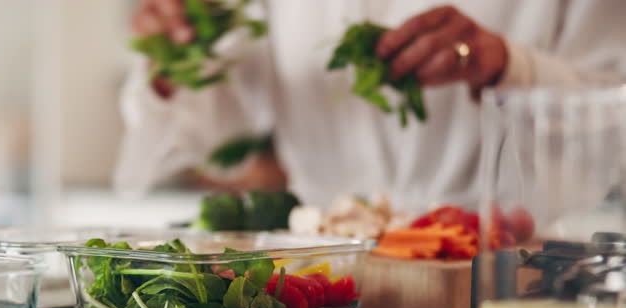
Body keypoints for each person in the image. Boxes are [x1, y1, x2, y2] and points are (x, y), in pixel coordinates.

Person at [115, 1, 626, 212]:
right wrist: (175, 62)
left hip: (520, 285)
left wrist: (512, 67)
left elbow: (615, 111)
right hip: (323, 287)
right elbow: (214, 133)